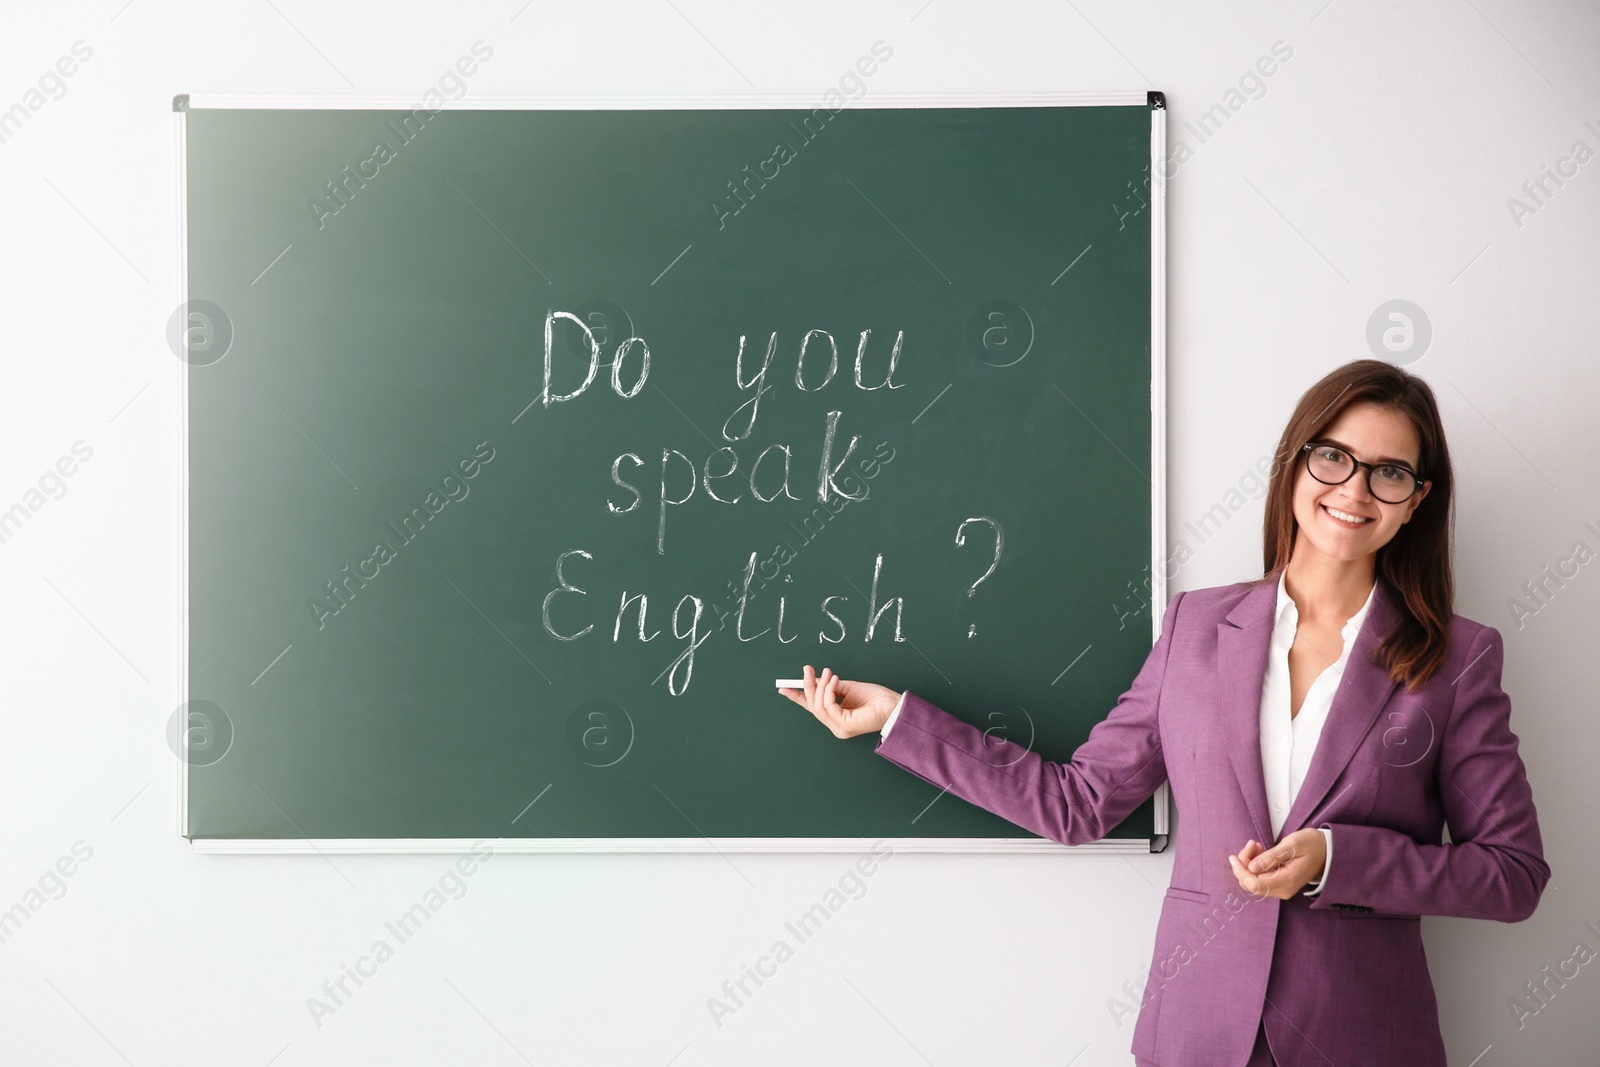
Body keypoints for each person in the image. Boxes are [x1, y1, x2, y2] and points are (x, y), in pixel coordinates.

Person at [780, 359, 1549, 1067]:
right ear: (1295, 466)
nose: (1353, 490)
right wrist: (898, 719)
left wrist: (1336, 859)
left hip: (1363, 1035)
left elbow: (1513, 876)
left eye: (1388, 473)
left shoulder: (1459, 659)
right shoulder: (1196, 629)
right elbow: (1078, 802)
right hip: (1199, 1032)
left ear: (1416, 501)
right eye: (1334, 457)